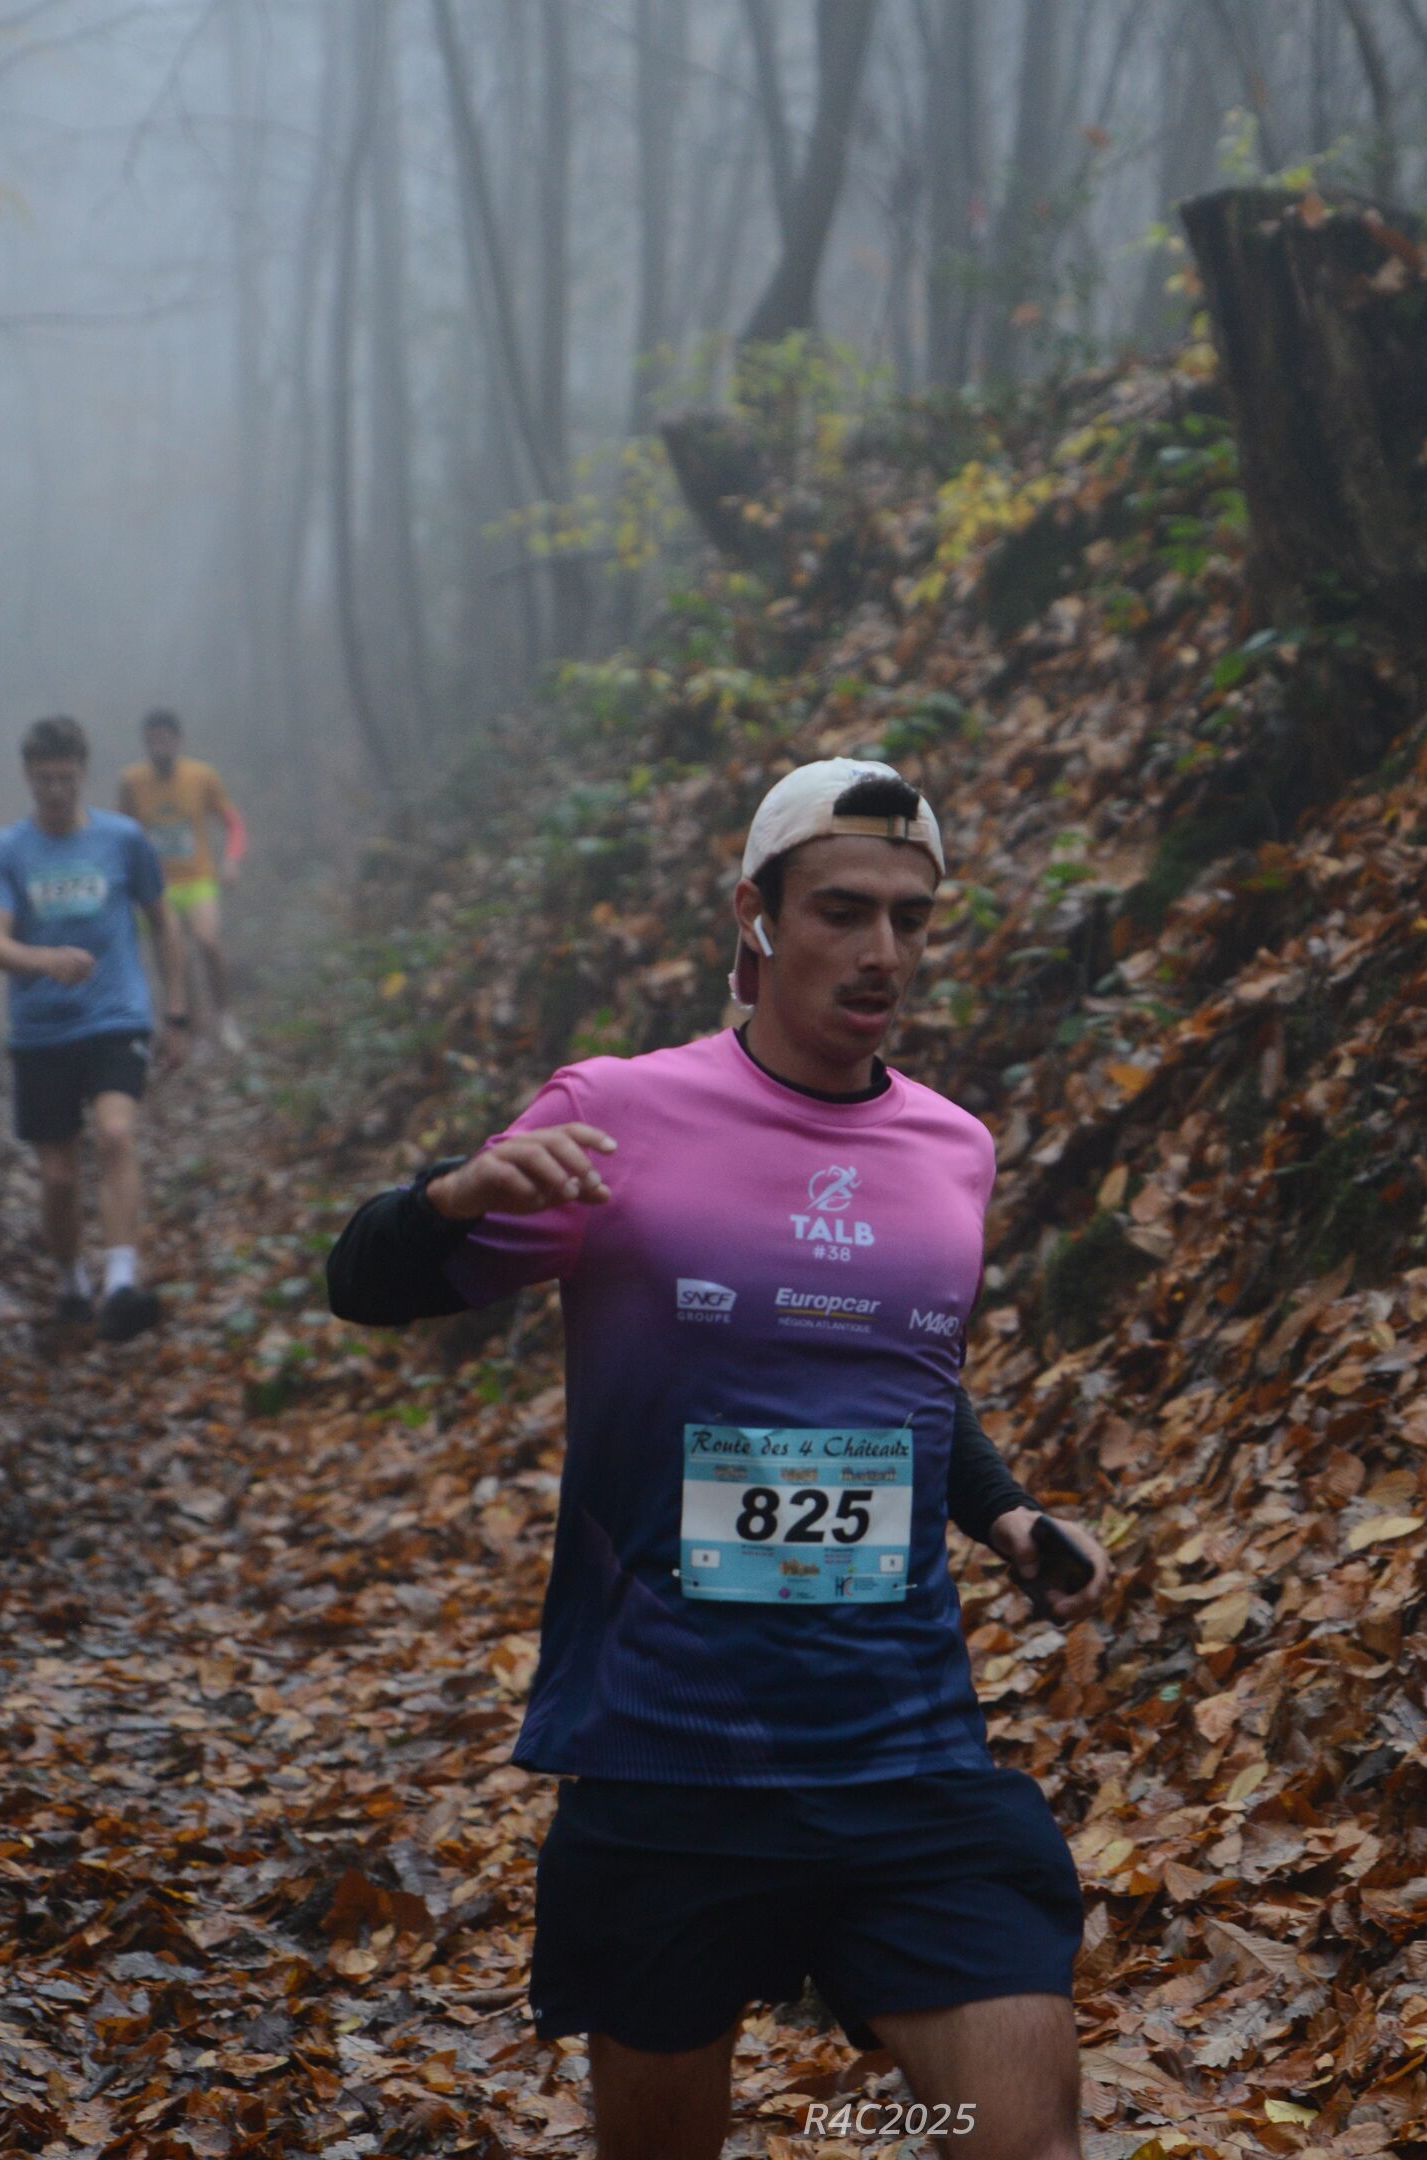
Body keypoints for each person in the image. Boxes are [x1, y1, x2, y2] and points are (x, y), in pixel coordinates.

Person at [324, 759, 1109, 2160]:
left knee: (1017, 2143)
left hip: (904, 1753)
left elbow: (900, 1380)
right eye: (841, 911)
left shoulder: (953, 1150)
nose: (881, 953)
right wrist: (447, 1198)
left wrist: (1003, 1516)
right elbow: (364, 1287)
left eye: (910, 919)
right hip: (670, 1755)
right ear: (755, 914)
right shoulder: (619, 1112)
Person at [0, 714, 185, 1343]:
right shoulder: (7, 850)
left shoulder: (123, 839)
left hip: (115, 1017)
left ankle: (120, 1282)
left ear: (83, 774)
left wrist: (176, 1011)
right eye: (44, 779)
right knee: (59, 1177)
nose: (55, 791)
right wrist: (45, 960)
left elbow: (163, 922)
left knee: (117, 1134)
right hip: (41, 1031)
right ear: (27, 777)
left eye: (65, 778)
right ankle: (71, 1281)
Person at [116, 709, 246, 1055]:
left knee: (207, 941)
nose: (159, 746)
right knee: (176, 959)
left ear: (179, 741)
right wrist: (125, 880)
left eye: (165, 739)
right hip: (157, 887)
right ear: (145, 744)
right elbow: (122, 835)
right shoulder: (132, 782)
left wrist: (232, 859)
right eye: (152, 740)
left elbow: (233, 823)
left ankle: (225, 1017)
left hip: (198, 878)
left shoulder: (201, 776)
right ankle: (195, 1031)